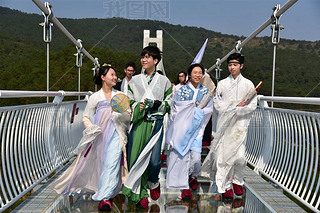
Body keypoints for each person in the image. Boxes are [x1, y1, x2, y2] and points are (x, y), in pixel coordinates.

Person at [52, 63, 130, 212]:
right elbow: (86, 116)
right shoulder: (95, 97)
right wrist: (92, 128)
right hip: (99, 135)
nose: (115, 77)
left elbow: (128, 114)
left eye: (115, 75)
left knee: (111, 164)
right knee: (100, 163)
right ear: (102, 77)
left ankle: (105, 198)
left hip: (115, 133)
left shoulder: (120, 96)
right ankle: (104, 191)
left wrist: (120, 115)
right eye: (111, 75)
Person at [201, 53, 257, 201]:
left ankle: (237, 180)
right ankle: (225, 187)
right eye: (230, 64)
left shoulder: (248, 84)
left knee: (239, 156)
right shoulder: (222, 84)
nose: (232, 67)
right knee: (223, 156)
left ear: (241, 66)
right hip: (224, 125)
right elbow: (217, 102)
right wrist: (231, 107)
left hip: (239, 125)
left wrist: (238, 110)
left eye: (235, 64)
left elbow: (253, 105)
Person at [122, 46, 172, 209]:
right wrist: (141, 106)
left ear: (156, 61)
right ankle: (142, 193)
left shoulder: (164, 81)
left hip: (156, 124)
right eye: (142, 57)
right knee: (137, 158)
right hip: (139, 123)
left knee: (155, 161)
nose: (144, 60)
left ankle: (153, 181)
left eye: (148, 57)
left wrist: (157, 104)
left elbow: (170, 102)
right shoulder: (134, 80)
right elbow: (129, 101)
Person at [165, 63, 213, 201]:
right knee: (183, 158)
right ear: (189, 75)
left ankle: (193, 175)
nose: (197, 75)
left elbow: (209, 109)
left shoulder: (206, 92)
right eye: (195, 72)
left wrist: (197, 112)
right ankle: (184, 186)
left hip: (197, 130)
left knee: (196, 159)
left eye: (200, 73)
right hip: (183, 130)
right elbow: (175, 110)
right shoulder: (181, 91)